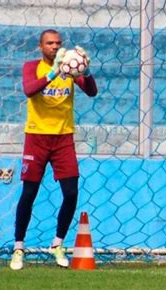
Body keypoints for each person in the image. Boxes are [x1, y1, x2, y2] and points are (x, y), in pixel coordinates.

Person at [10, 29, 98, 270]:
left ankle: (57, 243)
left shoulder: (70, 68)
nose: (54, 46)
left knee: (71, 192)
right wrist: (54, 72)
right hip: (36, 137)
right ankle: (18, 248)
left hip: (63, 138)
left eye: (58, 43)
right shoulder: (32, 67)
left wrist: (86, 71)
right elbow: (29, 89)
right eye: (49, 43)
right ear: (41, 46)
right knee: (29, 193)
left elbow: (92, 91)